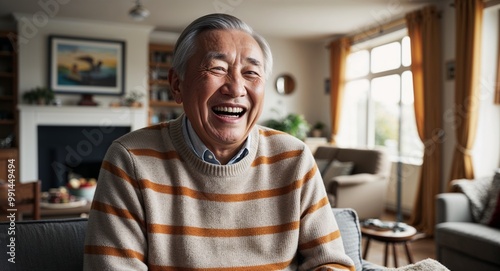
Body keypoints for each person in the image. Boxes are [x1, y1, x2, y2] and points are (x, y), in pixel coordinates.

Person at [83, 13, 355, 271]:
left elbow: (330, 261)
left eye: (251, 73)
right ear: (177, 84)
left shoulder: (294, 159)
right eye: (217, 68)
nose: (236, 88)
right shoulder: (130, 160)